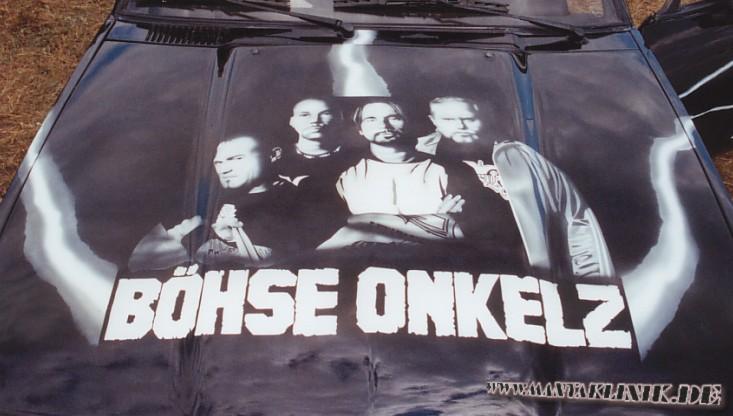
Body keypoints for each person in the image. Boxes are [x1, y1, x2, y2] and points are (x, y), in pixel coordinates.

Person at [128, 134, 299, 271]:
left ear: (274, 155)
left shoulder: (299, 201)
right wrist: (178, 235)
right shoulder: (202, 203)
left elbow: (289, 266)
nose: (224, 169)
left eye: (236, 158)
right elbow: (138, 263)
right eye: (219, 162)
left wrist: (231, 239)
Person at [278, 97, 360, 186]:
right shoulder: (277, 157)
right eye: (305, 115)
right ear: (291, 121)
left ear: (340, 119)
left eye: (326, 113)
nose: (315, 120)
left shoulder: (357, 158)